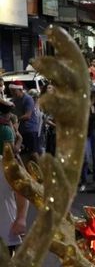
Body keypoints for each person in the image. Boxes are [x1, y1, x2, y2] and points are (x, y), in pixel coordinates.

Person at [0, 101, 28, 256]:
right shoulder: (6, 129)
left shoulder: (6, 166)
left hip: (5, 232)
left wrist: (21, 219)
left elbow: (23, 190)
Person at [9, 81, 40, 165]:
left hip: (30, 130)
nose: (12, 93)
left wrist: (16, 119)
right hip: (20, 131)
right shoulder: (13, 101)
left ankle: (42, 173)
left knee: (33, 153)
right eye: (11, 91)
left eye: (13, 91)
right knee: (23, 155)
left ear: (20, 89)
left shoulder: (28, 99)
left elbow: (27, 116)